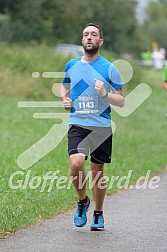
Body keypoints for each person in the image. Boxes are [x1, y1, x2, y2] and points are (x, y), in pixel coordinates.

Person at [60, 23, 125, 231]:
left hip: (101, 126)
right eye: (86, 34)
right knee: (76, 163)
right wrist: (65, 98)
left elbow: (121, 100)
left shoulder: (109, 68)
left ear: (100, 41)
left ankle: (98, 213)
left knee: (97, 171)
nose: (89, 37)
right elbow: (65, 85)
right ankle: (82, 201)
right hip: (78, 122)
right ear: (82, 40)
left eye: (93, 34)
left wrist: (106, 94)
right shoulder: (71, 65)